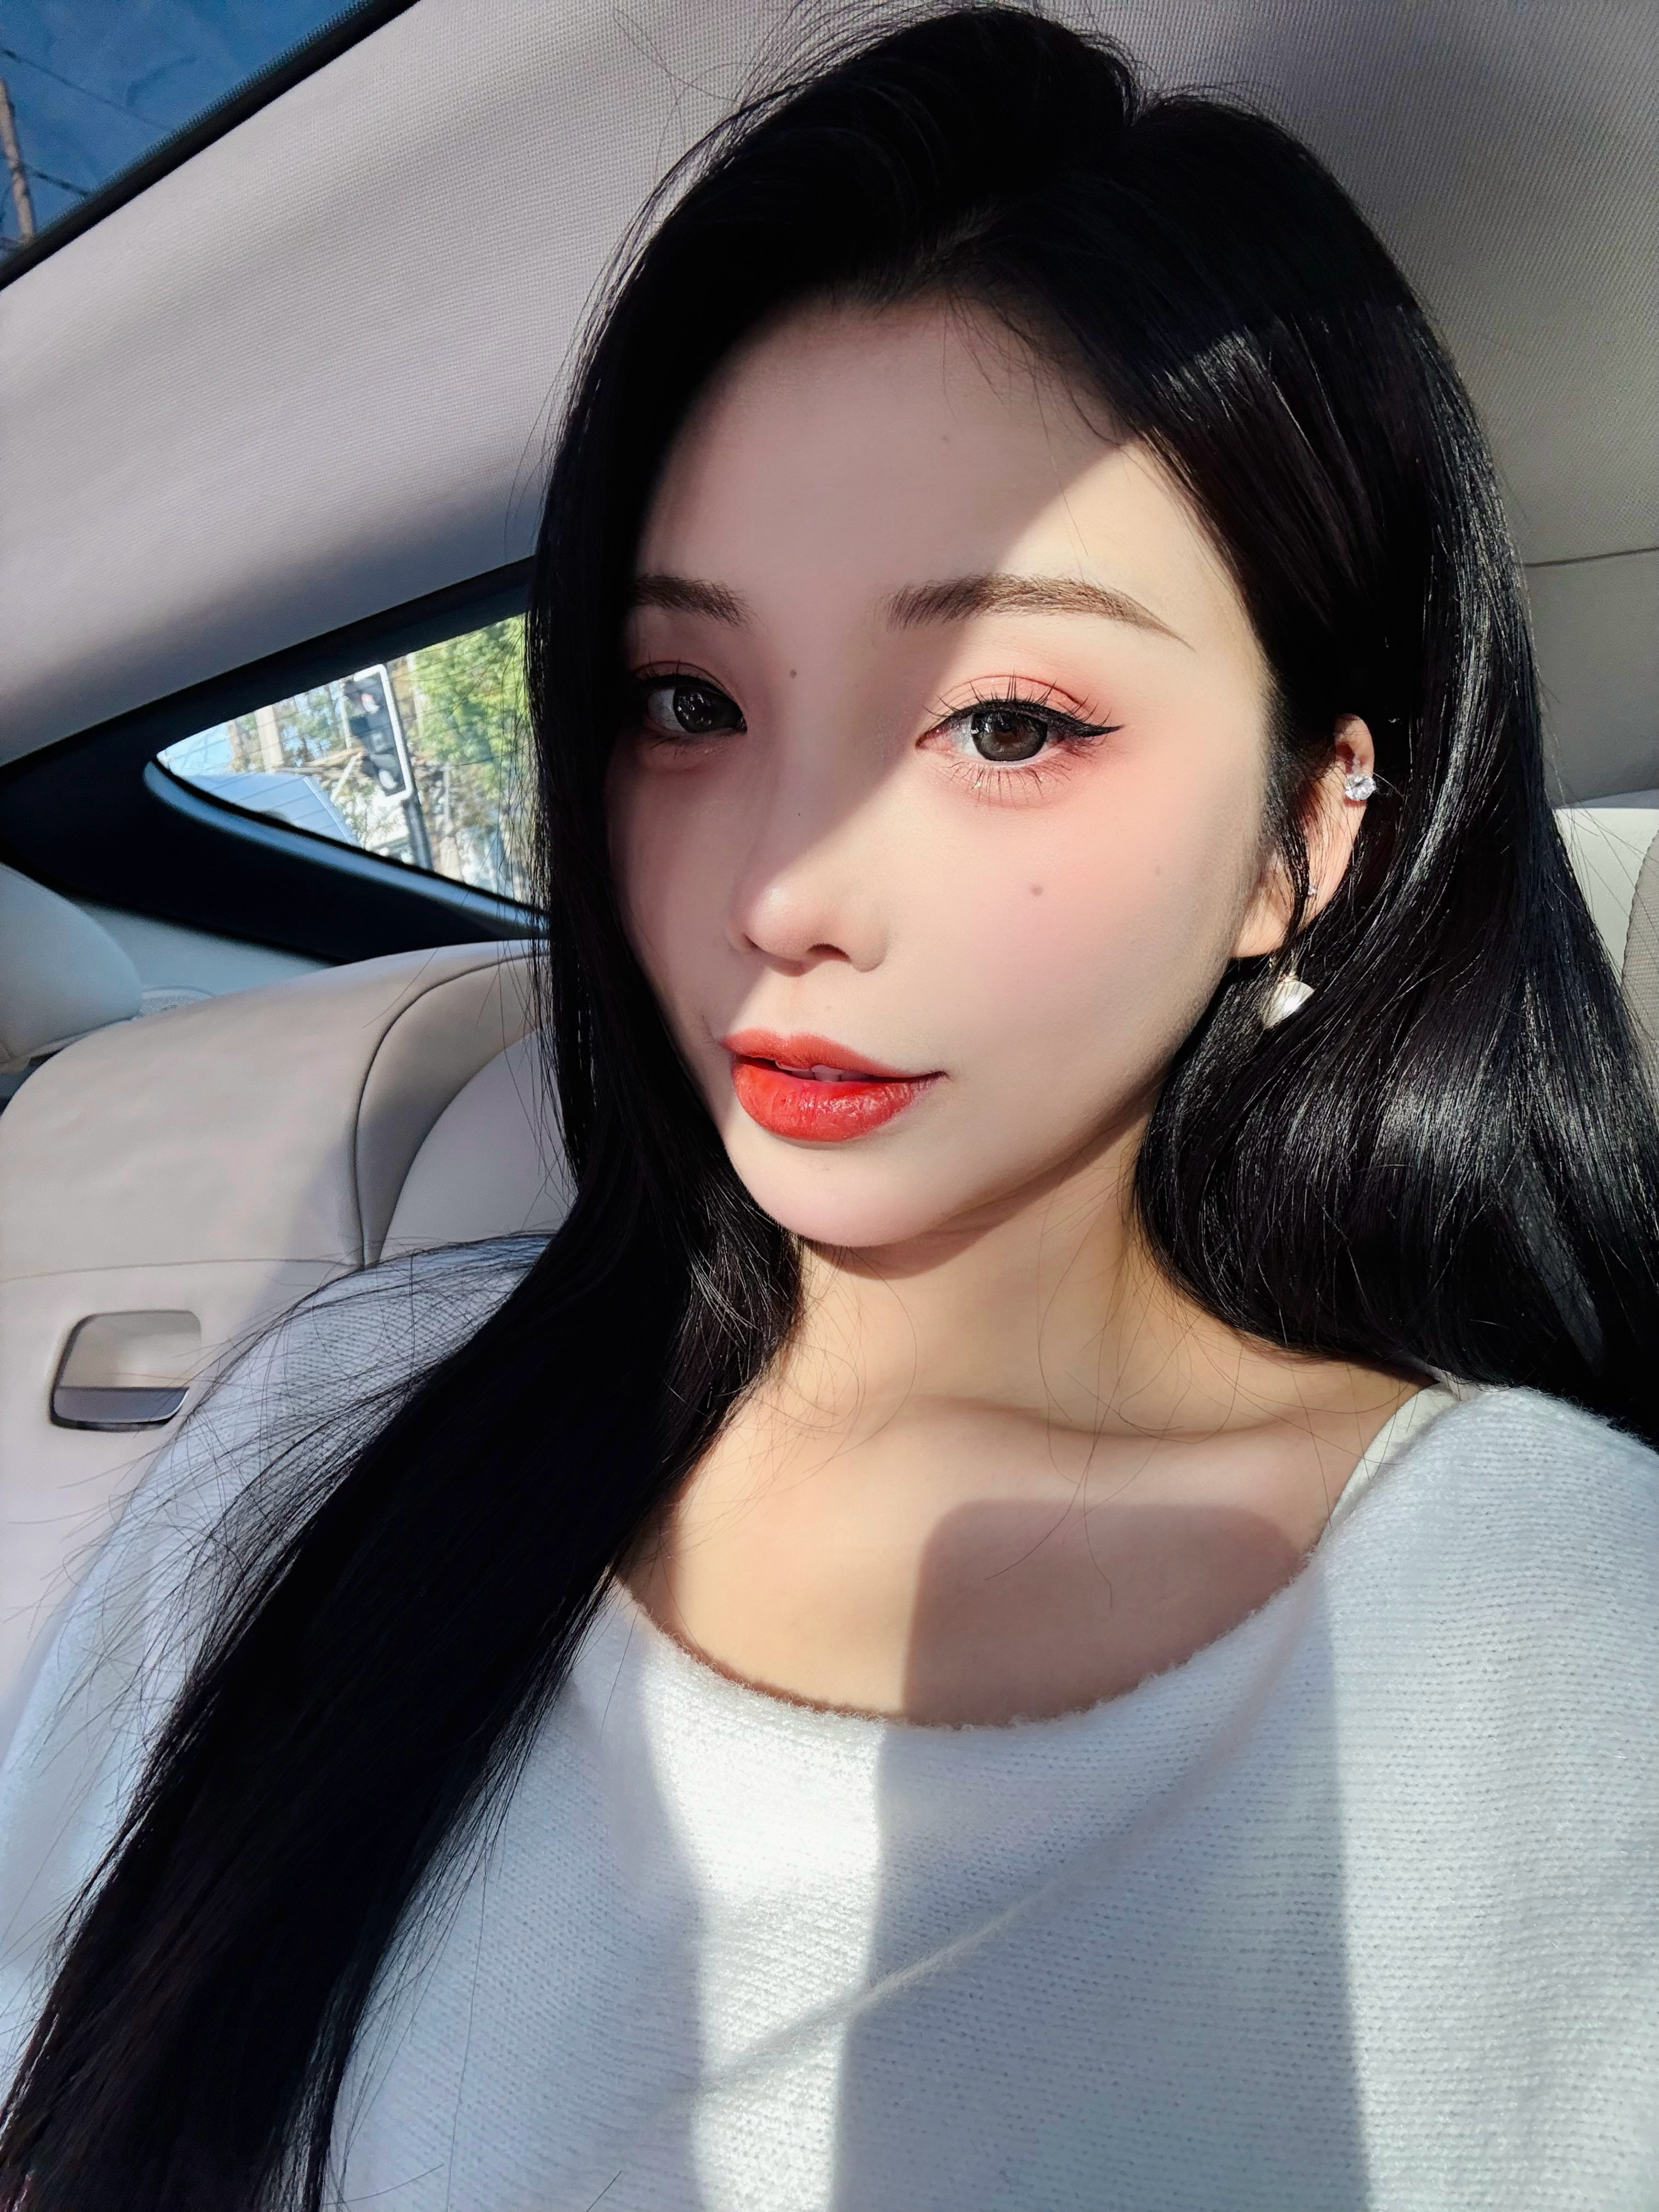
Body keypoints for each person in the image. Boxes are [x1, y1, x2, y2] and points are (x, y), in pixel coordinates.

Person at [1, 9, 1655, 2208]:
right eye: (688, 701)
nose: (782, 891)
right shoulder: (327, 1434)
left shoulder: (1567, 1635)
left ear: (1304, 837)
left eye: (1007, 723)